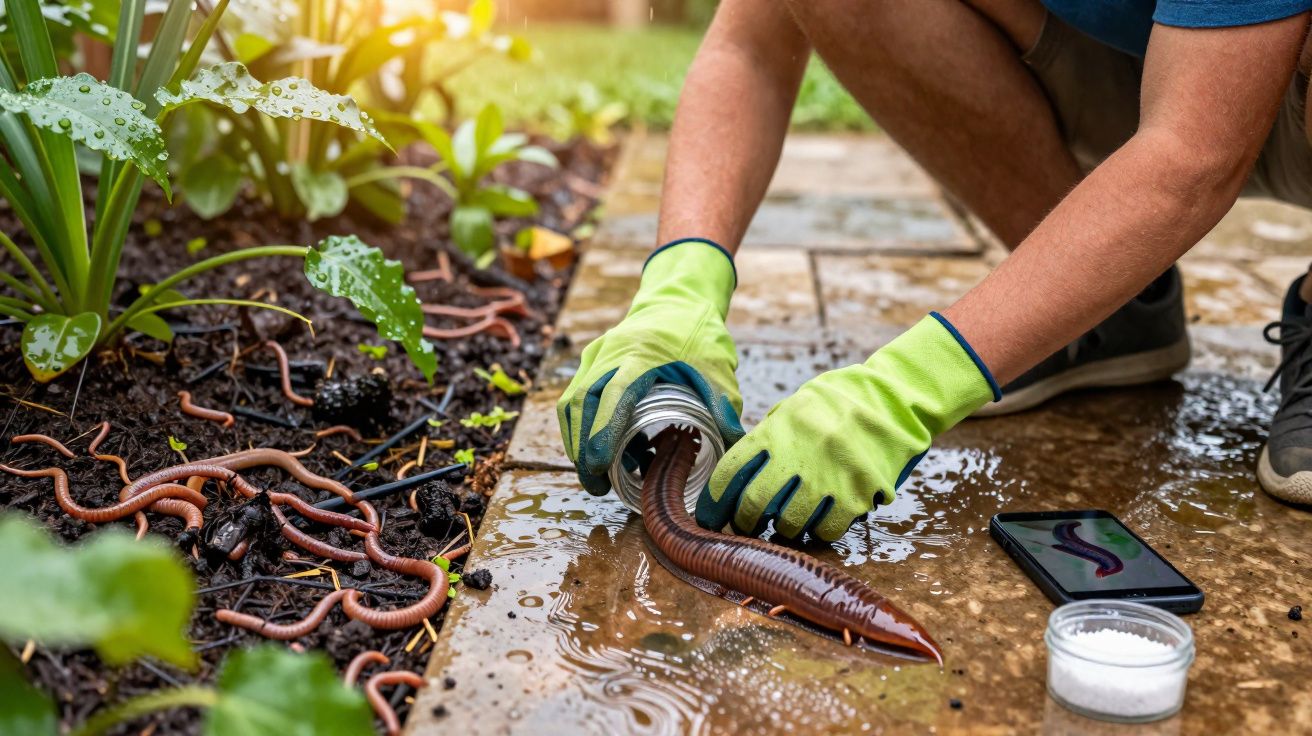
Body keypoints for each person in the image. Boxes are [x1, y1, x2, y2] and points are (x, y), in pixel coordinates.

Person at [558, 0, 1312, 543]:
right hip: (1133, 57)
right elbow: (746, 48)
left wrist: (905, 390)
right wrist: (679, 284)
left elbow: (1193, 154)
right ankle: (1105, 312)